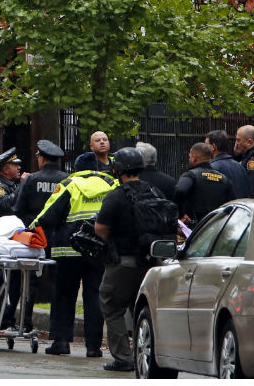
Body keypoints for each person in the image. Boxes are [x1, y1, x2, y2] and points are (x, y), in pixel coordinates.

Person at [31, 160, 118, 357]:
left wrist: (30, 228)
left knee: (63, 295)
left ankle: (61, 342)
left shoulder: (70, 185)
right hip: (98, 249)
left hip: (67, 250)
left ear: (76, 169)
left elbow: (47, 215)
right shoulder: (111, 185)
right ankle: (94, 347)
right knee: (94, 296)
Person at [95, 148, 160, 371]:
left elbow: (101, 227)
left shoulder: (116, 195)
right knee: (143, 308)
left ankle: (123, 358)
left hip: (123, 262)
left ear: (118, 170)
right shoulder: (155, 191)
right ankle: (149, 354)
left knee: (111, 305)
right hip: (152, 262)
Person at [1, 140, 68, 332]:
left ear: (43, 159)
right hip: (59, 238)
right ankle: (57, 329)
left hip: (34, 238)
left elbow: (17, 209)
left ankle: (24, 322)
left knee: (27, 280)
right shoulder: (66, 180)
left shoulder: (31, 180)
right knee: (58, 283)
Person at [174, 142, 235, 227]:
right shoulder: (224, 178)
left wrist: (181, 214)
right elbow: (232, 202)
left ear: (194, 158)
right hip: (217, 226)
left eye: (190, 156)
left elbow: (180, 190)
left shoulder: (190, 175)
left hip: (195, 227)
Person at [205, 130, 251, 199]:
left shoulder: (211, 168)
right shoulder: (239, 166)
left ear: (213, 147)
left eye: (206, 145)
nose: (204, 148)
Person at [0, 147, 28, 219]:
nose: (19, 167)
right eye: (15, 165)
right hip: (1, 227)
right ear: (6, 170)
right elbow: (6, 205)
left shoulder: (12, 184)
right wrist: (22, 185)